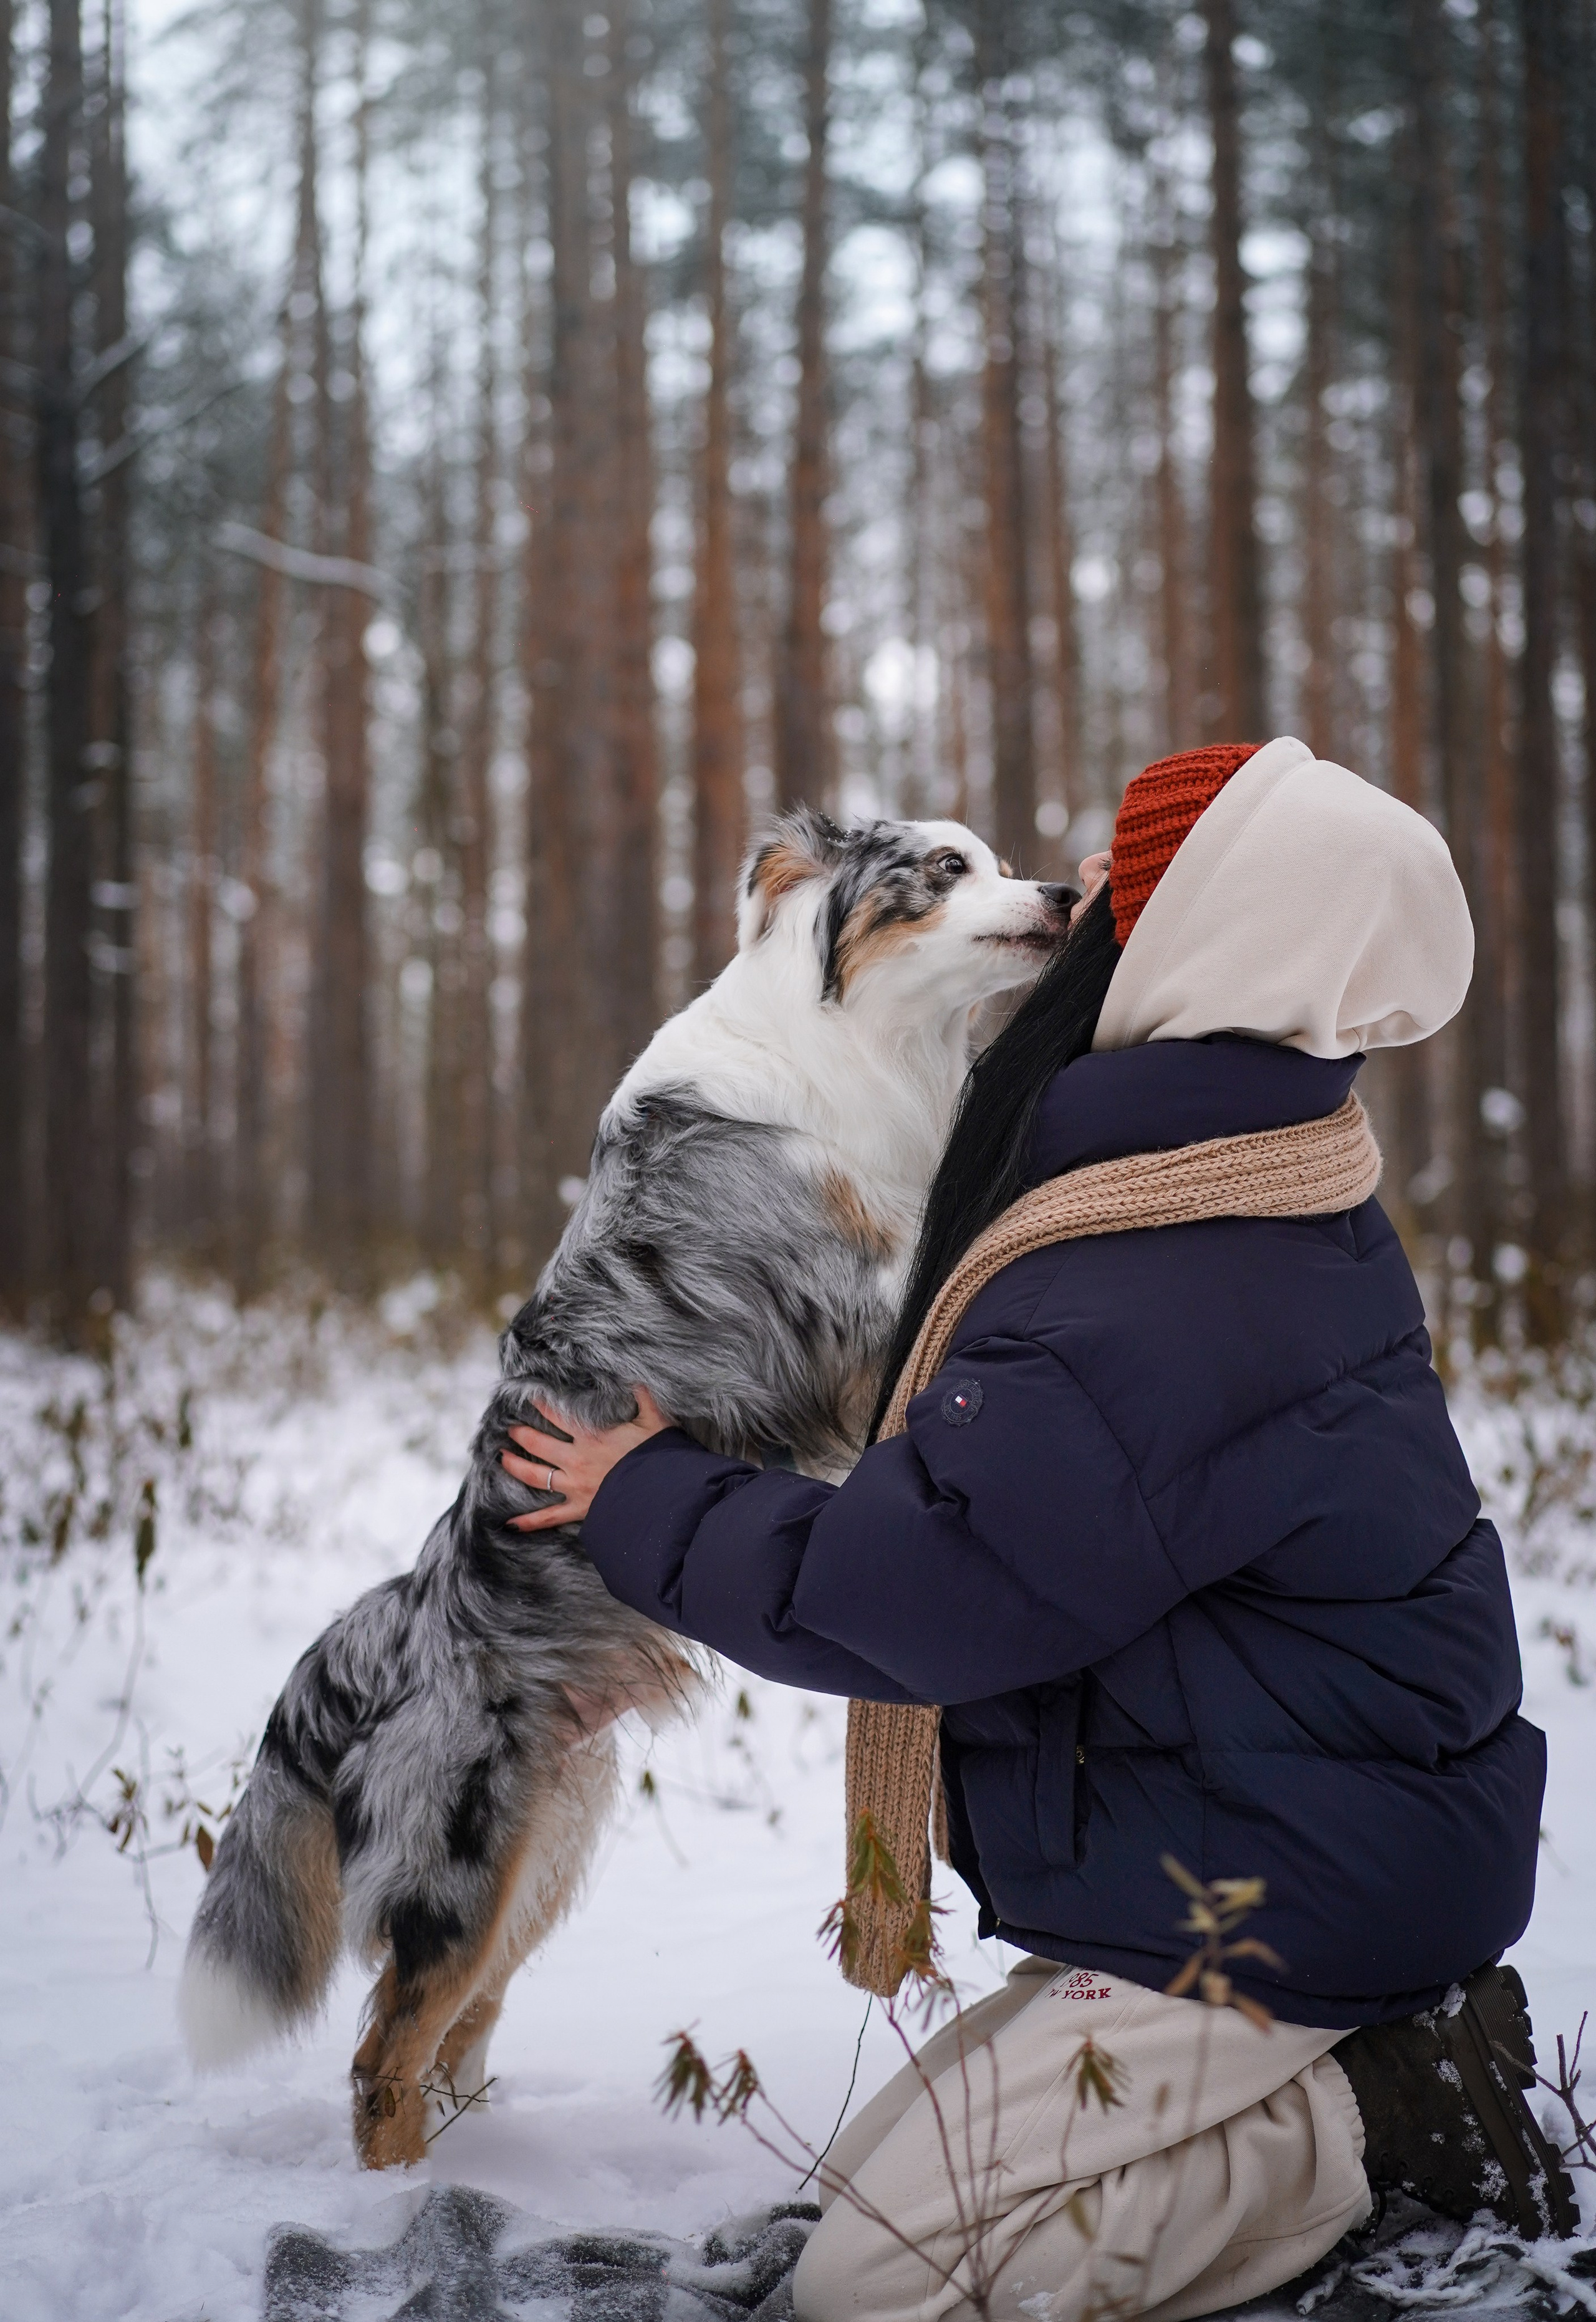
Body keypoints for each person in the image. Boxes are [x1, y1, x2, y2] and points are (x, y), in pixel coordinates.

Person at [505, 739, 1572, 2321]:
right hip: (1261, 1845)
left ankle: (1377, 2110)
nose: (1074, 911)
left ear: (1209, 937)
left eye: (1121, 892)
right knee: (867, 2188)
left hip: (1282, 1893)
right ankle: (1322, 2067)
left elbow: (931, 1589)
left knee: (880, 2280)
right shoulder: (1225, 1164)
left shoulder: (1172, 1243)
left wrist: (645, 1497)